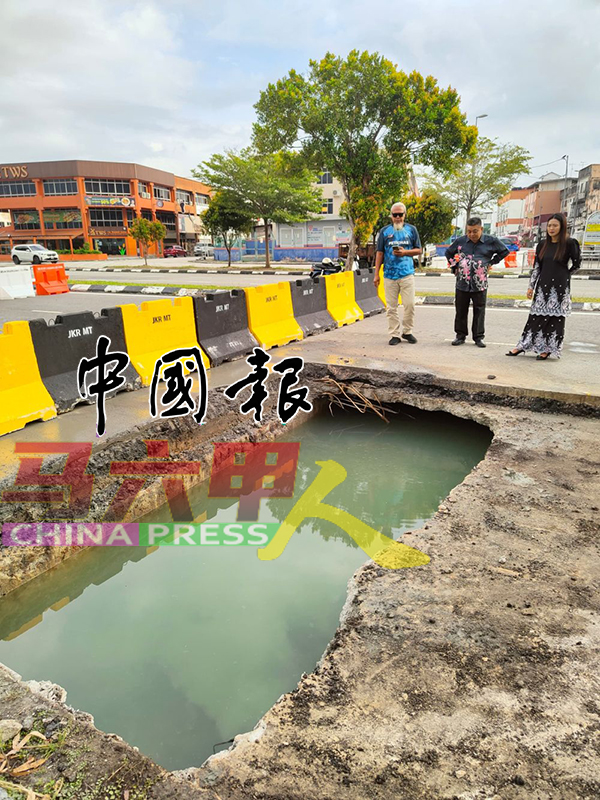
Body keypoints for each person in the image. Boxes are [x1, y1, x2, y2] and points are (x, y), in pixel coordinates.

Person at [507, 213, 580, 360]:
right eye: (550, 226)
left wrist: (566, 275)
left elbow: (577, 264)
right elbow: (537, 268)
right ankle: (523, 345)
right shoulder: (542, 244)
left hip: (559, 289)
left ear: (562, 227)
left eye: (555, 225)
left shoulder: (570, 243)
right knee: (536, 317)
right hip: (543, 286)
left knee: (554, 320)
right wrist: (531, 287)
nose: (551, 229)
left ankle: (547, 349)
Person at [445, 218, 510, 348]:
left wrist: (491, 262)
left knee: (479, 310)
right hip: (462, 282)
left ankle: (478, 337)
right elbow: (449, 252)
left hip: (480, 283)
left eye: (475, 231)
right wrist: (455, 266)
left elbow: (504, 251)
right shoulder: (461, 241)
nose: (472, 234)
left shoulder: (491, 241)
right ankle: (460, 335)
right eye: (469, 231)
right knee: (461, 310)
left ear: (481, 229)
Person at [373, 202, 422, 345]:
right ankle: (394, 334)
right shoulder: (384, 232)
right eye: (395, 215)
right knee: (391, 307)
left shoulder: (412, 230)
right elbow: (380, 253)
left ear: (404, 215)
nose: (398, 217)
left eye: (400, 214)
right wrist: (376, 274)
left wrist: (405, 252)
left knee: (410, 304)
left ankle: (407, 332)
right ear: (391, 216)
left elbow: (419, 250)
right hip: (389, 275)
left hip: (407, 274)